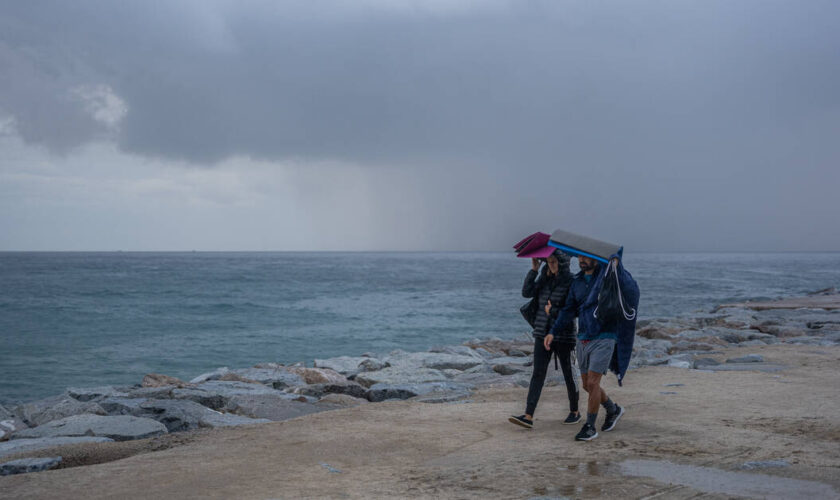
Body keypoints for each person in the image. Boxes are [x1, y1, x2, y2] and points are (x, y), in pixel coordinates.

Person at [546, 254, 639, 441]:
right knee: (587, 385)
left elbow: (629, 285)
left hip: (605, 336)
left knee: (593, 383)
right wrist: (553, 332)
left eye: (586, 257)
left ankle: (590, 427)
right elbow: (569, 310)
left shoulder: (607, 276)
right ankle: (613, 409)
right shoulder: (577, 282)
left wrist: (617, 264)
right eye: (579, 257)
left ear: (596, 259)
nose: (582, 260)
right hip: (583, 337)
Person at [508, 250, 579, 429]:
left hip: (563, 335)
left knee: (568, 374)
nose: (551, 265)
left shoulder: (571, 281)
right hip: (541, 333)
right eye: (548, 262)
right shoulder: (544, 279)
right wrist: (533, 270)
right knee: (537, 374)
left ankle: (575, 411)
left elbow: (573, 310)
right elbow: (526, 292)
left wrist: (553, 311)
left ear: (562, 263)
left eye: (554, 262)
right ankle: (528, 415)